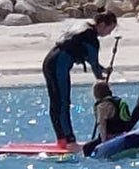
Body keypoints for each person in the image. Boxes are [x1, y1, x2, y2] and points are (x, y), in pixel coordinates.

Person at [40, 11, 117, 143]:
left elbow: (87, 56)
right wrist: (103, 88)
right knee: (63, 102)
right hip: (59, 66)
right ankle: (68, 139)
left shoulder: (83, 26)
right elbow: (94, 67)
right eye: (110, 30)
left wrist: (104, 69)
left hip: (49, 61)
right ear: (103, 25)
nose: (109, 34)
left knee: (56, 102)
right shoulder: (92, 39)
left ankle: (62, 139)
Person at [81, 79, 133, 154]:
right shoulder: (118, 102)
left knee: (86, 148)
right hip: (122, 135)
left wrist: (103, 143)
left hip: (111, 137)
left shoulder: (102, 106)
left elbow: (102, 125)